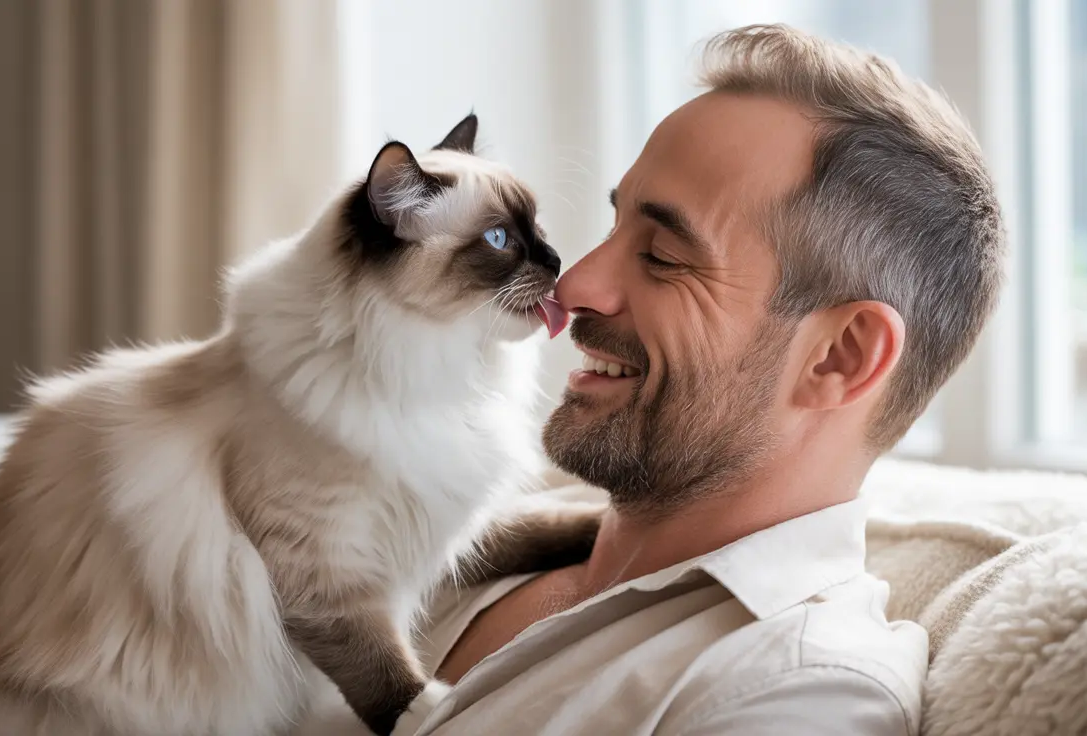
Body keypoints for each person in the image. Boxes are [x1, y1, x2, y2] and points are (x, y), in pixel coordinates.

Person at [361, 22, 1003, 735]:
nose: (571, 287)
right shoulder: (442, 530)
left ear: (840, 358)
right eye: (614, 228)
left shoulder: (793, 694)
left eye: (664, 257)